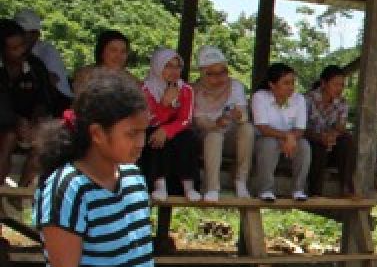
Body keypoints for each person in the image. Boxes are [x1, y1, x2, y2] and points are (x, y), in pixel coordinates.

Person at [32, 70, 154, 267]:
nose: (140, 143)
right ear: (98, 134)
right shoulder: (68, 188)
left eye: (143, 132)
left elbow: (142, 266)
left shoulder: (134, 178)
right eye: (131, 133)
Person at [0, 18, 57, 187]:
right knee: (9, 137)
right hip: (6, 126)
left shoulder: (35, 67)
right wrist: (17, 122)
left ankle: (21, 195)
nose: (21, 51)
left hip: (27, 125)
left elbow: (44, 100)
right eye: (14, 48)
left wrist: (36, 121)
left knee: (45, 136)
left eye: (23, 45)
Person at [192, 45, 253, 200]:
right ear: (203, 73)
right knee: (214, 135)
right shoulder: (194, 91)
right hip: (206, 136)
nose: (220, 77)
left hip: (231, 134)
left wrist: (238, 115)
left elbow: (243, 115)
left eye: (223, 72)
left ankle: (241, 180)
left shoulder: (236, 86)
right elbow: (200, 122)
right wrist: (216, 124)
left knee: (247, 129)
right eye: (213, 73)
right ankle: (212, 187)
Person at [140, 47, 201, 202]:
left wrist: (167, 130)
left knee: (187, 137)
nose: (174, 71)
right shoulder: (146, 89)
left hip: (177, 130)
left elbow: (186, 119)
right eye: (168, 66)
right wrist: (165, 104)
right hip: (153, 129)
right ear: (158, 66)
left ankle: (189, 186)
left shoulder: (186, 89)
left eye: (177, 66)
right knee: (154, 135)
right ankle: (159, 185)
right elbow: (148, 119)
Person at [251, 62, 311, 202]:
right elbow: (262, 127)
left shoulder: (299, 99)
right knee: (269, 143)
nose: (291, 87)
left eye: (292, 82)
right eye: (286, 83)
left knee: (304, 146)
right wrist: (287, 136)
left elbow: (300, 128)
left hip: (290, 142)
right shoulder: (260, 97)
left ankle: (298, 190)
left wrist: (290, 138)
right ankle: (266, 190)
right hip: (265, 141)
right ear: (272, 84)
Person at [304, 65, 354, 197]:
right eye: (335, 84)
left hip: (331, 146)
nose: (339, 89)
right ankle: (315, 193)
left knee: (347, 141)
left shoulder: (342, 103)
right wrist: (320, 137)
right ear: (323, 83)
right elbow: (300, 129)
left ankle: (347, 189)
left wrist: (334, 134)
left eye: (342, 85)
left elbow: (340, 126)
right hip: (311, 145)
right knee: (318, 146)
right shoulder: (307, 100)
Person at [13, 9, 71, 102]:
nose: (19, 36)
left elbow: (52, 82)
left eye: (23, 32)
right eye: (16, 32)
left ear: (36, 35)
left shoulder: (47, 51)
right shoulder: (12, 52)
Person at [72, 29, 136, 93]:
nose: (118, 56)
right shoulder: (85, 75)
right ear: (102, 52)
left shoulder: (132, 80)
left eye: (123, 51)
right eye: (113, 50)